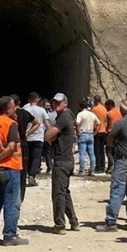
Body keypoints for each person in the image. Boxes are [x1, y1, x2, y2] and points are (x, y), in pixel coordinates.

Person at [0, 96, 28, 246]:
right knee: (12, 203)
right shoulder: (11, 124)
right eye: (13, 107)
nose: (15, 109)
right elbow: (10, 147)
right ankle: (9, 236)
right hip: (10, 167)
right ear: (8, 109)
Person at [97, 99, 127, 232]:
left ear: (121, 110)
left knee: (117, 189)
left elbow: (110, 139)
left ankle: (111, 221)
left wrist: (116, 146)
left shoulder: (120, 123)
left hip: (123, 159)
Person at [45, 93, 80, 234]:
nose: (55, 105)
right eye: (54, 102)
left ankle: (59, 225)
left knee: (58, 193)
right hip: (67, 159)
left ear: (65, 102)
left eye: (58, 102)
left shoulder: (64, 117)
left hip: (62, 160)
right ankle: (74, 221)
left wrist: (49, 132)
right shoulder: (69, 115)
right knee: (64, 192)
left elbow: (48, 136)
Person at [11, 94, 38, 201]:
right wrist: (27, 132)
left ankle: (12, 194)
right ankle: (21, 196)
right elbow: (37, 123)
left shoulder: (10, 115)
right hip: (23, 143)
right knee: (23, 170)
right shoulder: (25, 113)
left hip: (13, 144)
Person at [22, 92, 50, 187]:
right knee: (36, 158)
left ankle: (27, 173)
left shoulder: (25, 109)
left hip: (27, 137)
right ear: (38, 100)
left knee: (28, 157)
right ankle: (32, 176)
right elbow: (47, 123)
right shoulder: (42, 110)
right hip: (38, 137)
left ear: (29, 99)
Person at [75, 98, 99, 175]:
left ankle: (82, 170)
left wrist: (78, 132)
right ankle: (92, 170)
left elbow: (77, 123)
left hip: (83, 133)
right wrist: (95, 131)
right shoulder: (92, 114)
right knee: (91, 154)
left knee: (82, 154)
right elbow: (98, 123)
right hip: (90, 134)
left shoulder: (80, 114)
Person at [91, 95, 108, 174]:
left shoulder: (94, 109)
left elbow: (94, 121)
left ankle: (98, 167)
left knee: (97, 150)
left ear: (95, 100)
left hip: (97, 132)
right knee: (102, 150)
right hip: (104, 131)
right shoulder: (104, 108)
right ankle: (103, 166)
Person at [104, 99, 122, 174]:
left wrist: (106, 130)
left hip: (111, 132)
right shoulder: (119, 112)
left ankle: (111, 165)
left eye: (106, 106)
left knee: (108, 150)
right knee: (116, 150)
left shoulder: (109, 113)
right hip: (119, 132)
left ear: (109, 105)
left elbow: (109, 124)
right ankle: (117, 166)